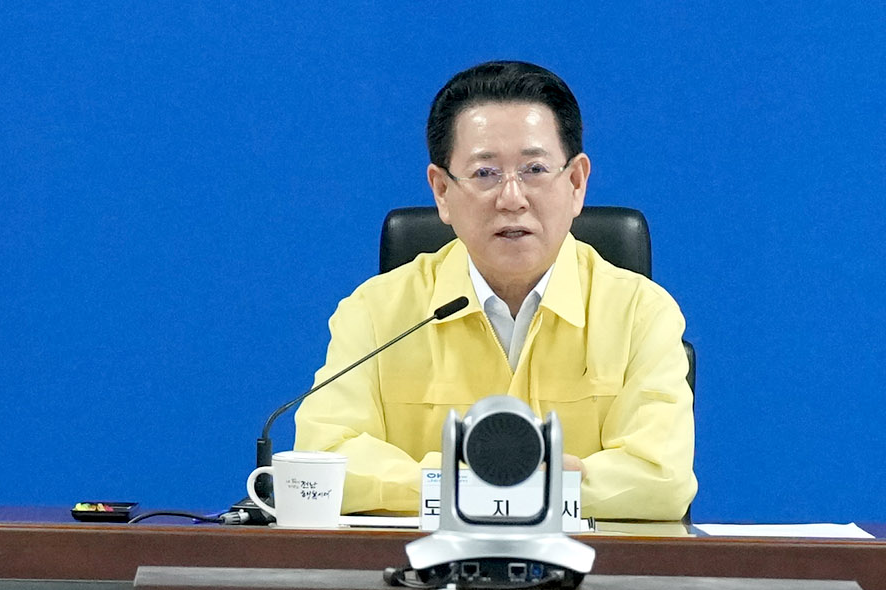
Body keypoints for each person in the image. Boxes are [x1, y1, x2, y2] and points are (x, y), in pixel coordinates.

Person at [300, 57, 700, 525]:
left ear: (576, 183)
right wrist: (511, 483)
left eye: (534, 169)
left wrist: (448, 485)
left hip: (588, 570)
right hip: (418, 570)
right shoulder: (375, 313)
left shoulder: (640, 314)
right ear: (442, 192)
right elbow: (323, 463)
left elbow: (661, 480)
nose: (512, 198)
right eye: (485, 173)